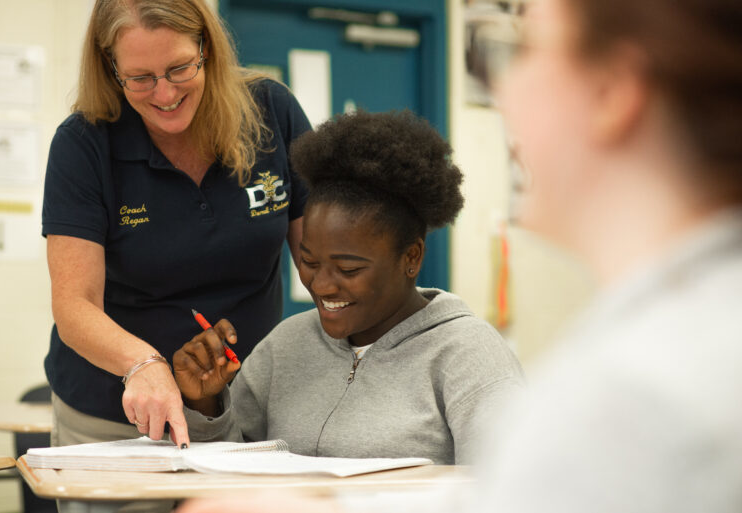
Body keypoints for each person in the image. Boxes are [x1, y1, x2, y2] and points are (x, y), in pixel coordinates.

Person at [177, 0, 742, 511]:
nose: (503, 89)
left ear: (614, 91)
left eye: (520, 49)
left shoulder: (641, 385)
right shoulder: (667, 335)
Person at [42, 0, 309, 466]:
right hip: (116, 416)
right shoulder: (85, 144)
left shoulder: (271, 111)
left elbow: (325, 259)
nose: (164, 93)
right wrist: (143, 365)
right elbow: (74, 305)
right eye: (140, 78)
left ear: (206, 48)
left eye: (179, 68)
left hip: (247, 407)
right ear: (111, 68)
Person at [173, 110, 525, 465]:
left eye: (348, 269)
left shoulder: (467, 356)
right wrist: (205, 404)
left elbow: (509, 487)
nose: (322, 285)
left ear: (411, 258)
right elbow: (231, 471)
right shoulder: (285, 347)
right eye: (309, 262)